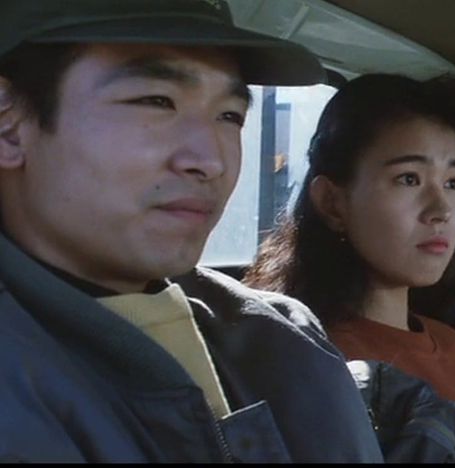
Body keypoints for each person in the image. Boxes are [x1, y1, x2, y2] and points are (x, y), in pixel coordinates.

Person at [0, 0, 384, 462]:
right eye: (156, 101)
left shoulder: (282, 331)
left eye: (230, 116)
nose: (211, 161)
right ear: (9, 127)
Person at [245, 73, 455, 462]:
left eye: (453, 182)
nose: (441, 210)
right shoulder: (318, 365)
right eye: (409, 179)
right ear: (332, 203)